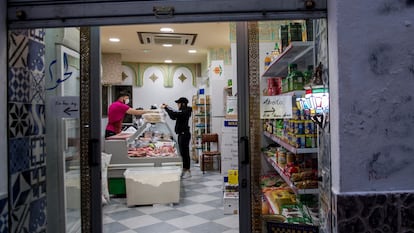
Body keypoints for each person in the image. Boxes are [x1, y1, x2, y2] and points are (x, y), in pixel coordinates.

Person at [161, 97, 192, 179]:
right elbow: (173, 116)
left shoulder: (187, 110)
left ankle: (187, 170)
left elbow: (176, 113)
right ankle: (184, 169)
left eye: (178, 103)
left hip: (184, 134)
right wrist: (167, 108)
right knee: (182, 153)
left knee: (185, 153)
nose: (177, 105)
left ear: (183, 104)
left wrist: (166, 108)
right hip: (181, 135)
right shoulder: (182, 111)